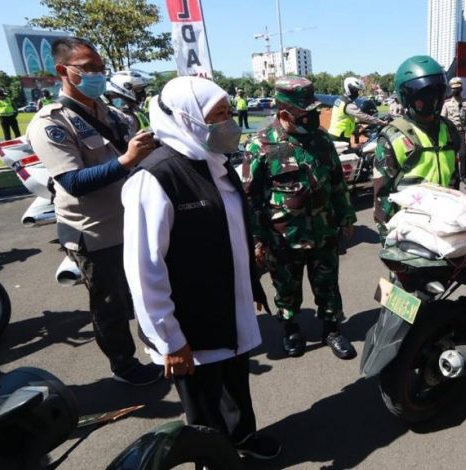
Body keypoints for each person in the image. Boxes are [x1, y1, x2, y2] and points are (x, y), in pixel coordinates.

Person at [122, 76, 280, 460]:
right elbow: (144, 268)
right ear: (186, 118)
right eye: (218, 115)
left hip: (227, 308)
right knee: (204, 407)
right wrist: (168, 338)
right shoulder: (156, 177)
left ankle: (242, 441)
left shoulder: (214, 163)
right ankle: (213, 461)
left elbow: (228, 231)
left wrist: (252, 285)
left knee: (234, 386)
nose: (228, 123)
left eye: (228, 112)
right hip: (189, 325)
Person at [26, 37, 161, 386]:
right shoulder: (51, 123)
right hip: (95, 232)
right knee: (110, 303)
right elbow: (72, 181)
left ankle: (159, 349)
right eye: (88, 69)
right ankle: (123, 365)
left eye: (101, 69)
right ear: (63, 71)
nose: (98, 75)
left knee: (145, 292)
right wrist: (127, 159)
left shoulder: (114, 114)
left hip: (133, 223)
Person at [243, 77, 358, 360]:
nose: (314, 117)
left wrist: (346, 217)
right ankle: (291, 329)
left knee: (328, 285)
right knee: (286, 289)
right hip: (283, 237)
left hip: (323, 231)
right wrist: (258, 240)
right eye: (306, 113)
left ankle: (332, 329)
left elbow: (336, 183)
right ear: (284, 114)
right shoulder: (260, 145)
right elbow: (250, 198)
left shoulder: (320, 139)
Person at [372, 55, 462, 238]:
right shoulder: (393, 136)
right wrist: (388, 236)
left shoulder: (449, 129)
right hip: (410, 228)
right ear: (407, 98)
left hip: (446, 222)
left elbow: (453, 176)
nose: (431, 100)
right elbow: (382, 193)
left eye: (436, 93)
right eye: (423, 95)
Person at [328, 76, 386, 142]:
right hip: (340, 136)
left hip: (337, 133)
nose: (357, 93)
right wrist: (380, 122)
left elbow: (345, 117)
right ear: (350, 89)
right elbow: (363, 116)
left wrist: (358, 124)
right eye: (356, 90)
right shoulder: (347, 104)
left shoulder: (341, 99)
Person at [441, 77, 466, 184]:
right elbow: (443, 118)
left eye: (458, 88)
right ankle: (455, 174)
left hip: (463, 131)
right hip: (451, 132)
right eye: (454, 88)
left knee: (463, 154)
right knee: (452, 154)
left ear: (461, 89)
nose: (456, 90)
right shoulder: (447, 104)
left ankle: (464, 175)